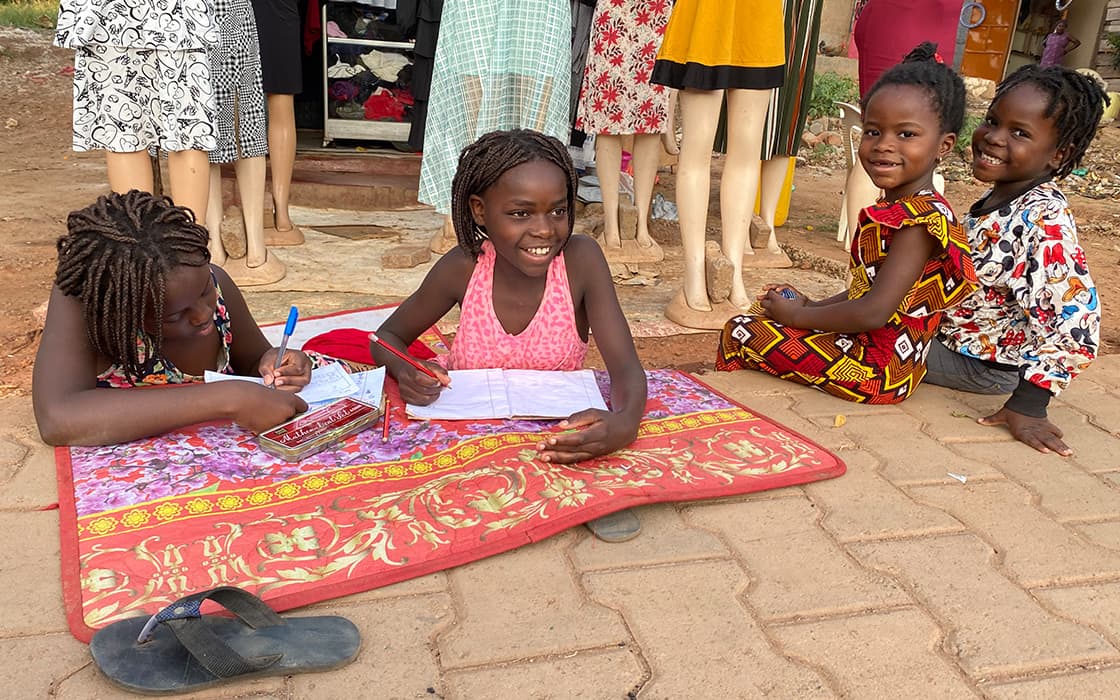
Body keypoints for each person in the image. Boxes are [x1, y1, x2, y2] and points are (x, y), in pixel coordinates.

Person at [372, 129, 648, 541]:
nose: (544, 230)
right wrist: (404, 368)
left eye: (558, 211)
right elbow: (386, 338)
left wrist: (625, 423)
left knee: (594, 484)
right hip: (468, 446)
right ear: (480, 211)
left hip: (551, 443)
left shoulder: (581, 261)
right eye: (520, 214)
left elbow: (625, 367)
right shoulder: (464, 267)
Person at [716, 44, 977, 404]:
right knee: (778, 307)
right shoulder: (908, 208)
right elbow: (868, 291)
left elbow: (873, 311)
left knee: (740, 331)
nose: (884, 145)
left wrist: (800, 316)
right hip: (882, 359)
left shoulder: (918, 222)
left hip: (876, 371)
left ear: (943, 146)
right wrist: (808, 305)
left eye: (906, 135)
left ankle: (729, 402)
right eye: (873, 131)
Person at [33, 191, 311, 447]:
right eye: (175, 315)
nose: (203, 314)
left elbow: (252, 361)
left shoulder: (217, 283)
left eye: (204, 291)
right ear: (122, 313)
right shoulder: (85, 303)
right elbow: (57, 419)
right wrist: (227, 399)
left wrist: (275, 363)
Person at [926, 65, 1107, 456]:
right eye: (992, 121)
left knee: (872, 344)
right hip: (952, 337)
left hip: (979, 364)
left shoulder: (1043, 219)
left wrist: (1029, 407)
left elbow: (1077, 323)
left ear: (1059, 154)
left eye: (1019, 133)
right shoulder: (1003, 196)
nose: (993, 138)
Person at [54, 0, 216, 223]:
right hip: (159, 18)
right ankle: (185, 249)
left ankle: (156, 248)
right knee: (180, 129)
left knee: (127, 132)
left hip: (114, 18)